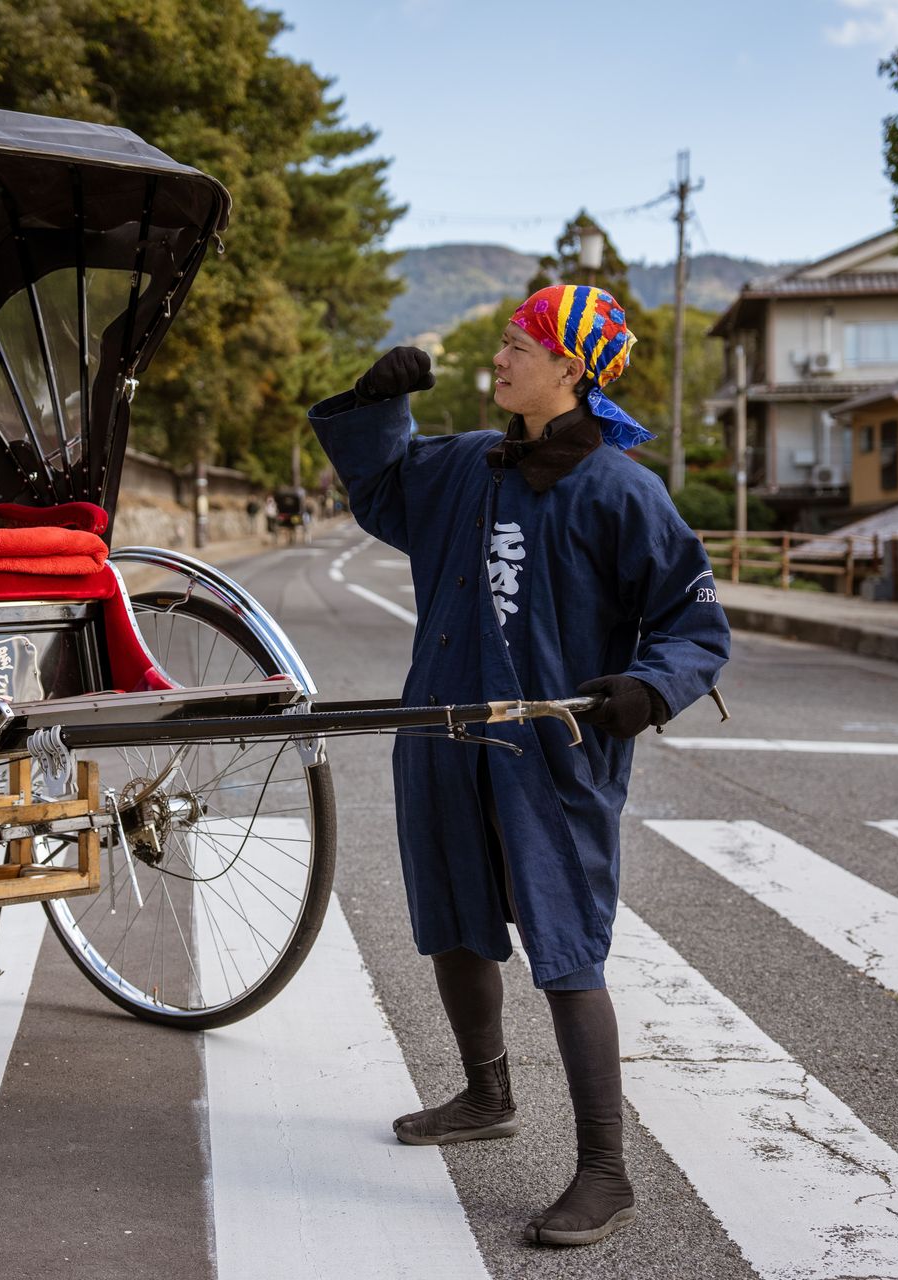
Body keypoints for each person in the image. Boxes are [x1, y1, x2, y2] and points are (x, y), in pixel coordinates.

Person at [308, 284, 729, 1248]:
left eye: (517, 345)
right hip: (444, 732)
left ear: (570, 368)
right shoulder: (467, 462)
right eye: (502, 341)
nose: (499, 359)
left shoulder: (622, 490)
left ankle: (605, 1171)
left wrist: (649, 688)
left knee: (567, 947)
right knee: (454, 919)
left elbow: (693, 620)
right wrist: (380, 405)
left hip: (551, 754)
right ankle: (486, 1094)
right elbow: (379, 491)